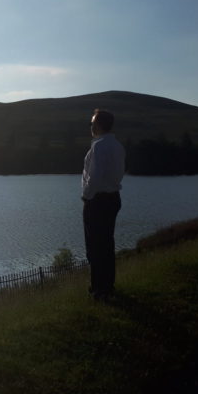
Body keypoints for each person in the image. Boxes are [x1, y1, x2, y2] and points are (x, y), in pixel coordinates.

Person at [82, 109, 125, 300]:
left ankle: (99, 289)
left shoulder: (99, 147)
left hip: (98, 200)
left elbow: (95, 177)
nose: (90, 127)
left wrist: (87, 196)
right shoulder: (117, 146)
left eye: (92, 123)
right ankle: (106, 286)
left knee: (95, 245)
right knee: (106, 244)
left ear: (98, 125)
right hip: (112, 198)